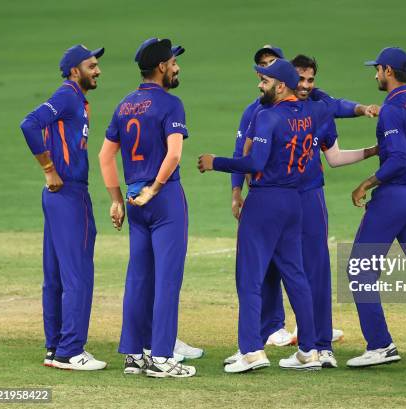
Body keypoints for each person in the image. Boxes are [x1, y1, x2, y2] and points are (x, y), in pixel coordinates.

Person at [230, 46, 378, 350]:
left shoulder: (316, 106)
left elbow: (335, 144)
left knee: (313, 267)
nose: (306, 85)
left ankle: (317, 341)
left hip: (308, 195)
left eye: (310, 79)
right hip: (274, 196)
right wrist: (238, 192)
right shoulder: (258, 110)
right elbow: (242, 154)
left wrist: (368, 128)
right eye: (301, 79)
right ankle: (271, 333)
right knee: (270, 268)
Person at [198, 59, 330, 373]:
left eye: (265, 81)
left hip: (264, 202)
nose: (260, 85)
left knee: (249, 278)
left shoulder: (267, 117)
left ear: (280, 85)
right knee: (296, 277)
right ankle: (310, 350)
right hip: (293, 202)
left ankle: (252, 350)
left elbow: (255, 161)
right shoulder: (307, 116)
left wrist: (215, 162)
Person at [98, 38, 195, 378]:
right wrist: (156, 189)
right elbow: (174, 154)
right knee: (168, 281)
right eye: (173, 62)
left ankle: (134, 355)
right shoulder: (171, 104)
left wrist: (115, 199)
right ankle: (162, 358)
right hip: (163, 199)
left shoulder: (124, 105)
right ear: (161, 68)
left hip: (134, 200)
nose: (177, 67)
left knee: (138, 279)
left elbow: (104, 156)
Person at [19, 44, 106, 370]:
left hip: (59, 197)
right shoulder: (68, 94)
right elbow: (29, 123)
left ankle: (55, 347)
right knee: (78, 275)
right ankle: (71, 350)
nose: (97, 70)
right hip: (68, 193)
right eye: (91, 65)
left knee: (55, 276)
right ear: (74, 71)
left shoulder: (76, 100)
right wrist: (48, 169)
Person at [344, 47, 406, 369]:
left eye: (377, 70)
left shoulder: (392, 109)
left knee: (359, 268)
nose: (375, 75)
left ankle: (380, 345)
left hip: (394, 197)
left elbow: (397, 158)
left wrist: (366, 183)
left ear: (388, 71)